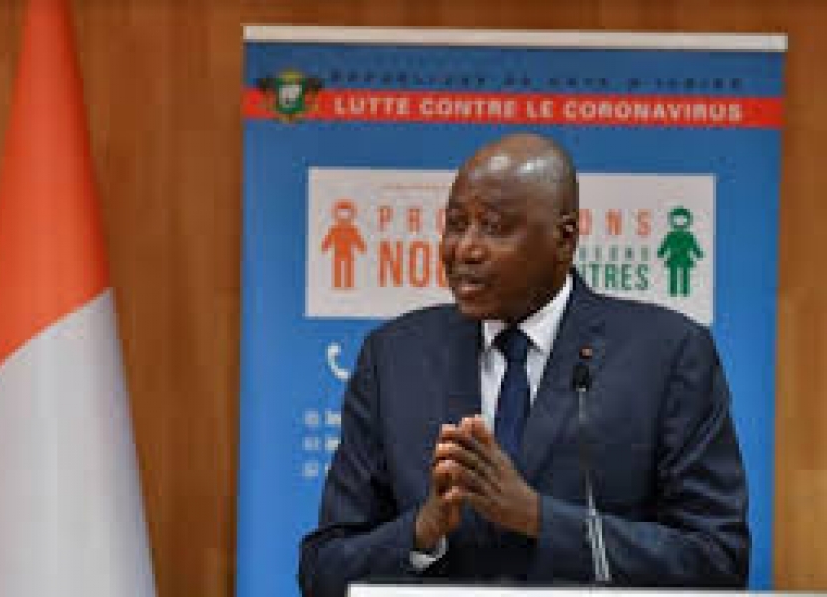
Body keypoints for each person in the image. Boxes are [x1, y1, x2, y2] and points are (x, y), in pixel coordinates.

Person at [298, 133, 749, 597]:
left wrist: (539, 518)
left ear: (564, 237)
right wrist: (422, 532)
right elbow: (323, 569)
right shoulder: (394, 357)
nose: (465, 249)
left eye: (494, 227)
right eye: (455, 224)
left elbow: (718, 560)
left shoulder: (666, 354)